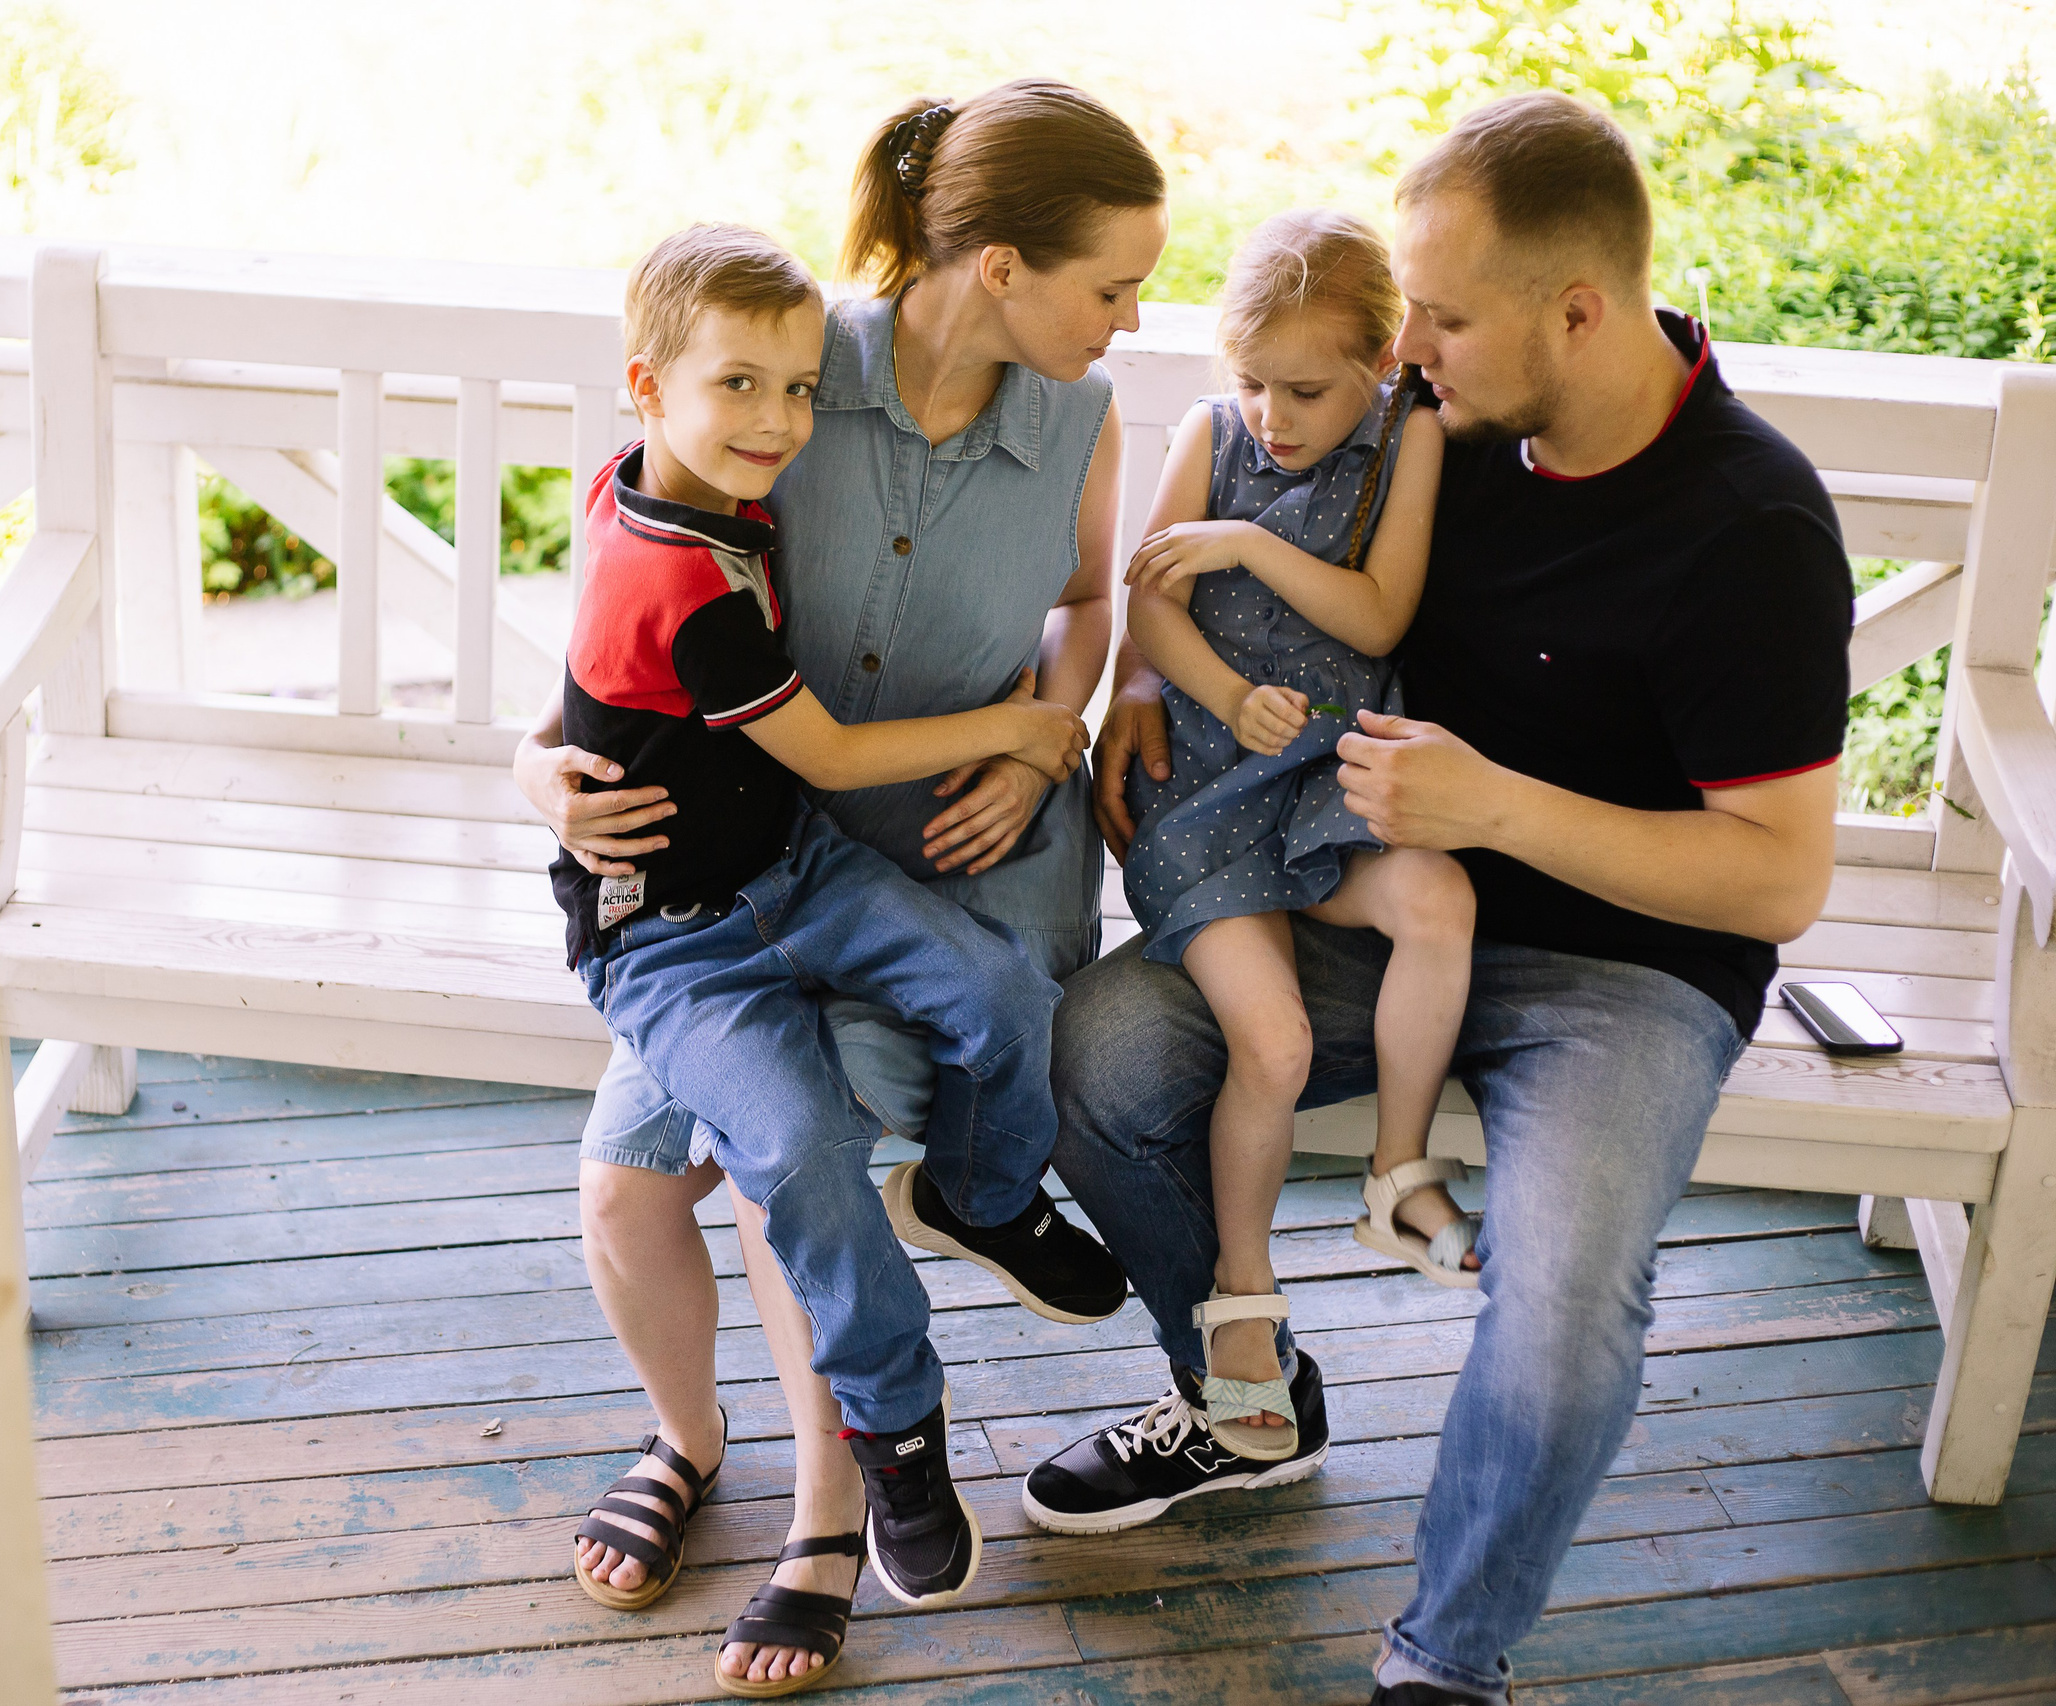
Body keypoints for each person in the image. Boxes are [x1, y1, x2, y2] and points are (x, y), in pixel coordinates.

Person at [1029, 92, 1852, 1706]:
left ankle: (1443, 1658)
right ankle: (1240, 1398)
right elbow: (1241, 503)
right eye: (1411, 306)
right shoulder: (1437, 427)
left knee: (1556, 1321)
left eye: (1448, 315)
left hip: (1626, 976)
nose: (1413, 345)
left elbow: (1781, 874)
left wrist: (1497, 807)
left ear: (1579, 311)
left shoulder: (1749, 524)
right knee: (1104, 1057)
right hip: (1359, 890)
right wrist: (1144, 689)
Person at [514, 81, 1171, 1696]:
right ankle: (689, 1440)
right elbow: (629, 619)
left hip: (924, 852)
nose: (1137, 317)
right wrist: (537, 766)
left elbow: (1085, 608)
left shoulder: (1077, 420)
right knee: (625, 1189)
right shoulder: (790, 372)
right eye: (1116, 282)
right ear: (1003, 265)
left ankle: (834, 1508)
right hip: (716, 880)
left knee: (800, 1166)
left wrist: (1045, 743)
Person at [1107, 207, 1477, 1473]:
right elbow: (1147, 610)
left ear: (1381, 361)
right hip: (1209, 789)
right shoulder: (1206, 435)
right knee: (1271, 1038)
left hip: (1331, 771)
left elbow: (1380, 611)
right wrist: (1217, 692)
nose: (1270, 413)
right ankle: (1243, 1288)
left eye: (1305, 388)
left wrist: (1250, 540)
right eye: (1252, 380)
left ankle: (1396, 1172)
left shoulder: (1403, 441)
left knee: (1436, 900)